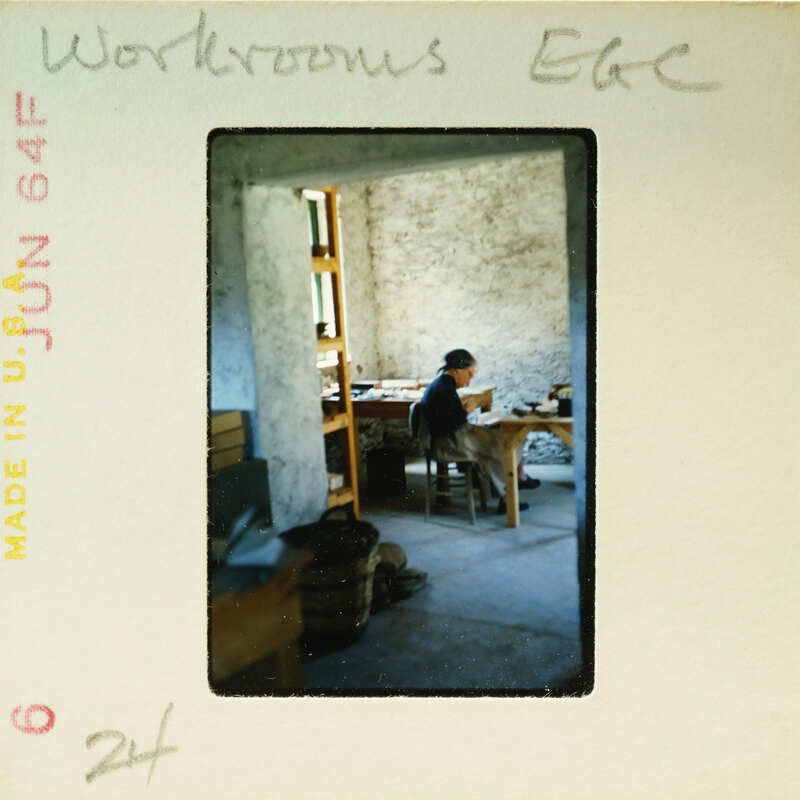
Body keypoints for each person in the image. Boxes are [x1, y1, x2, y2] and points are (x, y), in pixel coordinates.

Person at [420, 348, 540, 515]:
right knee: (504, 446)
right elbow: (444, 427)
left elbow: (446, 418)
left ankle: (510, 488)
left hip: (455, 437)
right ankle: (508, 497)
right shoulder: (443, 388)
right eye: (469, 375)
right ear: (456, 370)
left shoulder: (443, 384)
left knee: (504, 439)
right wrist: (466, 411)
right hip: (449, 443)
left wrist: (462, 411)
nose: (469, 381)